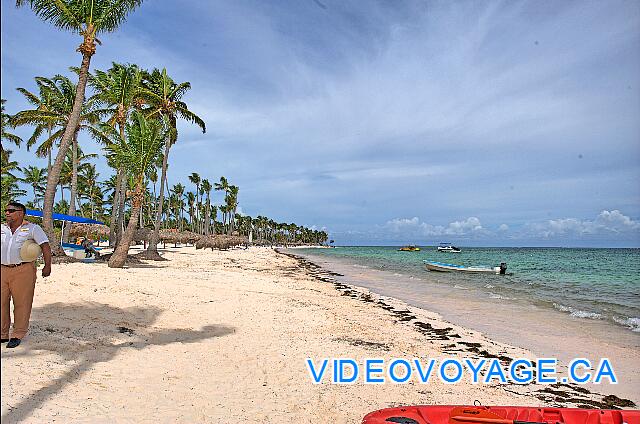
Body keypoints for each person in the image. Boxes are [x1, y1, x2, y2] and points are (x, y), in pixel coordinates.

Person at [1, 202, 52, 348]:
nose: (7, 213)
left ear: (21, 213)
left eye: (11, 210)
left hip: (23, 270)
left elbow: (45, 246)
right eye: (6, 210)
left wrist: (47, 266)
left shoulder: (32, 228)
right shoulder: (2, 228)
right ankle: (3, 334)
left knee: (22, 303)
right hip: (2, 269)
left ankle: (18, 333)